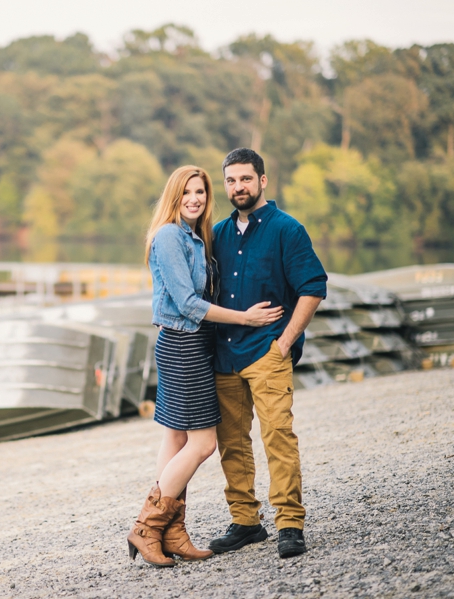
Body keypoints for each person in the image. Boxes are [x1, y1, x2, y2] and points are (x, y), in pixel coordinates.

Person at [127, 165, 283, 568]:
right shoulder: (167, 237)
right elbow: (188, 303)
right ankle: (146, 528)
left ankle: (172, 533)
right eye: (186, 193)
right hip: (183, 345)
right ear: (174, 197)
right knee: (203, 444)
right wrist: (244, 318)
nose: (194, 199)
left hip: (193, 344)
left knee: (176, 440)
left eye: (200, 192)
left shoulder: (195, 237)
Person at [207, 148, 327, 559]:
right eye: (230, 180)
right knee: (232, 442)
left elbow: (313, 287)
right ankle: (245, 522)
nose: (237, 187)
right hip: (224, 355)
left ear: (263, 180)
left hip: (267, 353)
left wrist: (284, 342)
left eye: (245, 178)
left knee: (278, 435)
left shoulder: (287, 229)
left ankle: (290, 523)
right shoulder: (218, 234)